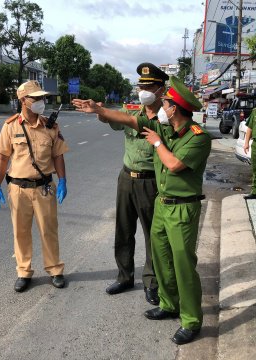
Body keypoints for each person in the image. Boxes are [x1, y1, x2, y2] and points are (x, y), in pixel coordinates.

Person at [72, 76, 211, 345]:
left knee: (183, 266)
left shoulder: (198, 138)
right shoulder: (166, 127)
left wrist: (158, 143)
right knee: (161, 260)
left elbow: (173, 165)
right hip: (161, 204)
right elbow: (131, 120)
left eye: (167, 103)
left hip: (182, 210)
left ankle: (191, 320)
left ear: (176, 108)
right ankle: (169, 304)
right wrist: (99, 110)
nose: (163, 106)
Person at [99, 63, 167, 305]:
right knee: (124, 231)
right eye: (141, 86)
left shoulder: (167, 116)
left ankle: (152, 282)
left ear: (161, 89)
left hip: (152, 182)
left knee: (152, 235)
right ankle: (124, 276)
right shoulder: (131, 111)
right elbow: (114, 121)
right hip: (127, 178)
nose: (143, 90)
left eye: (149, 86)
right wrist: (99, 110)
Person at [0, 80, 68, 292]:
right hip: (18, 189)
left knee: (49, 230)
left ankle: (54, 269)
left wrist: (62, 180)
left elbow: (58, 156)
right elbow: (2, 158)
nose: (40, 102)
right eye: (35, 98)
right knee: (21, 232)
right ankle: (24, 272)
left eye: (42, 98)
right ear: (23, 100)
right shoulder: (10, 126)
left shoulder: (50, 126)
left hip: (44, 188)